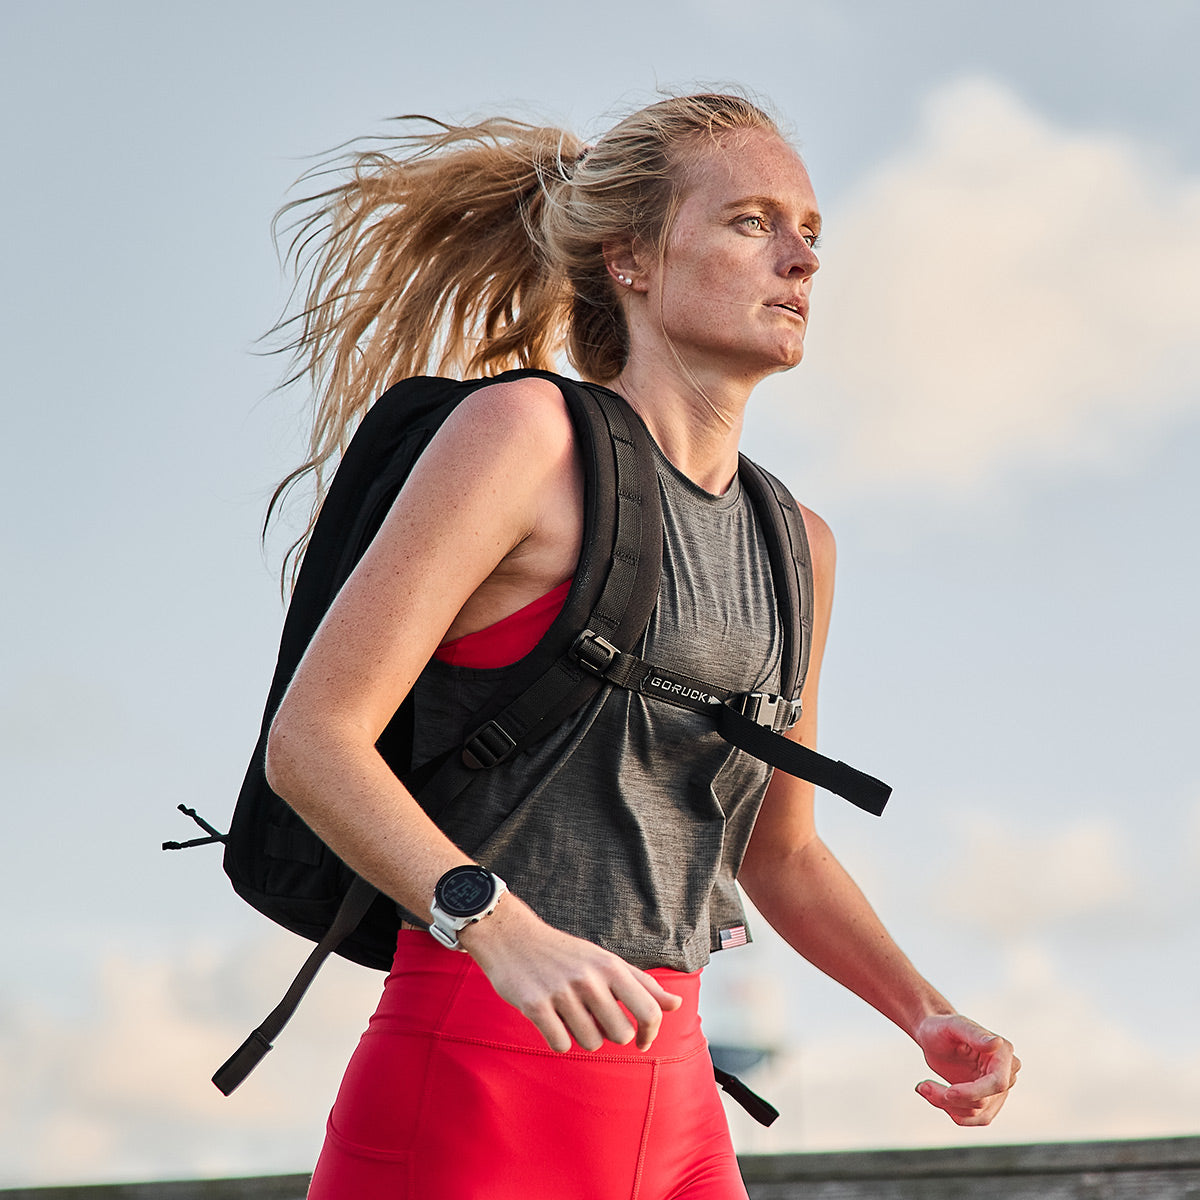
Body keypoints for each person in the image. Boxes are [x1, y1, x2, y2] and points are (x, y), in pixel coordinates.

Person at [261, 92, 1019, 1200]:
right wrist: (493, 924)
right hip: (476, 1078)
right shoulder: (524, 439)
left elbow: (782, 853)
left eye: (811, 230)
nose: (801, 260)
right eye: (752, 223)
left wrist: (923, 1009)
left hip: (674, 1102)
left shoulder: (797, 542)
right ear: (633, 259)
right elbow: (314, 742)